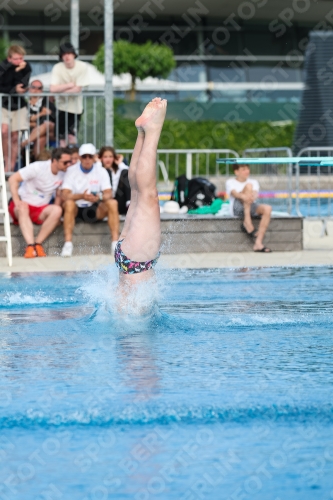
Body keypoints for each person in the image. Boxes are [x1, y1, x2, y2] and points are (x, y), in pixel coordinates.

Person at [115, 97, 167, 285]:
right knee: (138, 194)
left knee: (146, 195)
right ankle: (142, 133)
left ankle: (151, 132)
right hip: (129, 259)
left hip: (135, 262)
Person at [8, 147, 72, 258]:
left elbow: (58, 194)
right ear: (54, 160)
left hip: (40, 209)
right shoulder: (38, 167)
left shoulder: (64, 173)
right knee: (23, 207)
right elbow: (13, 178)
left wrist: (55, 218)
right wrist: (17, 200)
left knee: (57, 210)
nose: (69, 165)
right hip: (23, 203)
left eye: (70, 162)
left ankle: (37, 244)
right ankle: (30, 246)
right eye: (65, 162)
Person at [61, 143, 119, 257]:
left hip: (95, 208)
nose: (87, 159)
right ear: (79, 157)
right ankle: (68, 244)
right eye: (84, 156)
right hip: (76, 209)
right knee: (68, 204)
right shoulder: (71, 170)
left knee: (113, 203)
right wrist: (81, 196)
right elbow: (65, 195)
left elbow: (108, 193)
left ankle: (115, 243)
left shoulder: (101, 170)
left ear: (94, 157)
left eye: (90, 156)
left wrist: (99, 197)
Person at [50, 42, 90, 146]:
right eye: (64, 54)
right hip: (61, 107)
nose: (67, 56)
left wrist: (61, 90)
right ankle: (63, 159)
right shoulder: (57, 67)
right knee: (61, 138)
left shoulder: (82, 66)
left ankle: (73, 158)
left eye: (69, 53)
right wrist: (69, 85)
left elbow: (78, 89)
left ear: (73, 54)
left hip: (76, 108)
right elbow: (53, 89)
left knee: (72, 137)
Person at [226, 163, 272, 252]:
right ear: (236, 172)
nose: (247, 171)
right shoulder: (230, 182)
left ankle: (258, 243)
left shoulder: (254, 181)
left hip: (251, 205)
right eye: (243, 169)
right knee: (248, 186)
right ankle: (247, 221)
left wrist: (250, 197)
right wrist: (246, 196)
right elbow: (236, 194)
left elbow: (255, 195)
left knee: (267, 208)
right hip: (237, 208)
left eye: (247, 169)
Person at [0, 45, 32, 172]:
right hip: (4, 105)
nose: (19, 61)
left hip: (19, 105)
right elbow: (3, 85)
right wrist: (14, 88)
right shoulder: (3, 67)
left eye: (21, 58)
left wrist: (20, 71)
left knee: (15, 136)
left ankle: (11, 165)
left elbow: (23, 85)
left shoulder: (26, 67)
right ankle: (5, 160)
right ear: (9, 58)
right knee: (4, 131)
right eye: (16, 59)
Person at [21, 80, 56, 159]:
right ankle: (38, 162)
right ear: (29, 88)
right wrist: (41, 114)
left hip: (51, 132)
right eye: (33, 87)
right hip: (34, 133)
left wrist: (32, 120)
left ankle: (23, 144)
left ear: (42, 90)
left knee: (46, 125)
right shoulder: (24, 104)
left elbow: (48, 120)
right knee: (41, 137)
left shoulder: (47, 102)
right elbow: (22, 120)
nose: (36, 90)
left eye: (39, 88)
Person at [99, 146, 131, 215]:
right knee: (107, 171)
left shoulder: (118, 169)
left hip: (118, 200)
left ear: (114, 158)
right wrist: (98, 163)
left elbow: (130, 173)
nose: (108, 159)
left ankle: (129, 203)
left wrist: (120, 163)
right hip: (104, 202)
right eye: (105, 157)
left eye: (110, 157)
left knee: (125, 172)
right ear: (101, 158)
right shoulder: (98, 170)